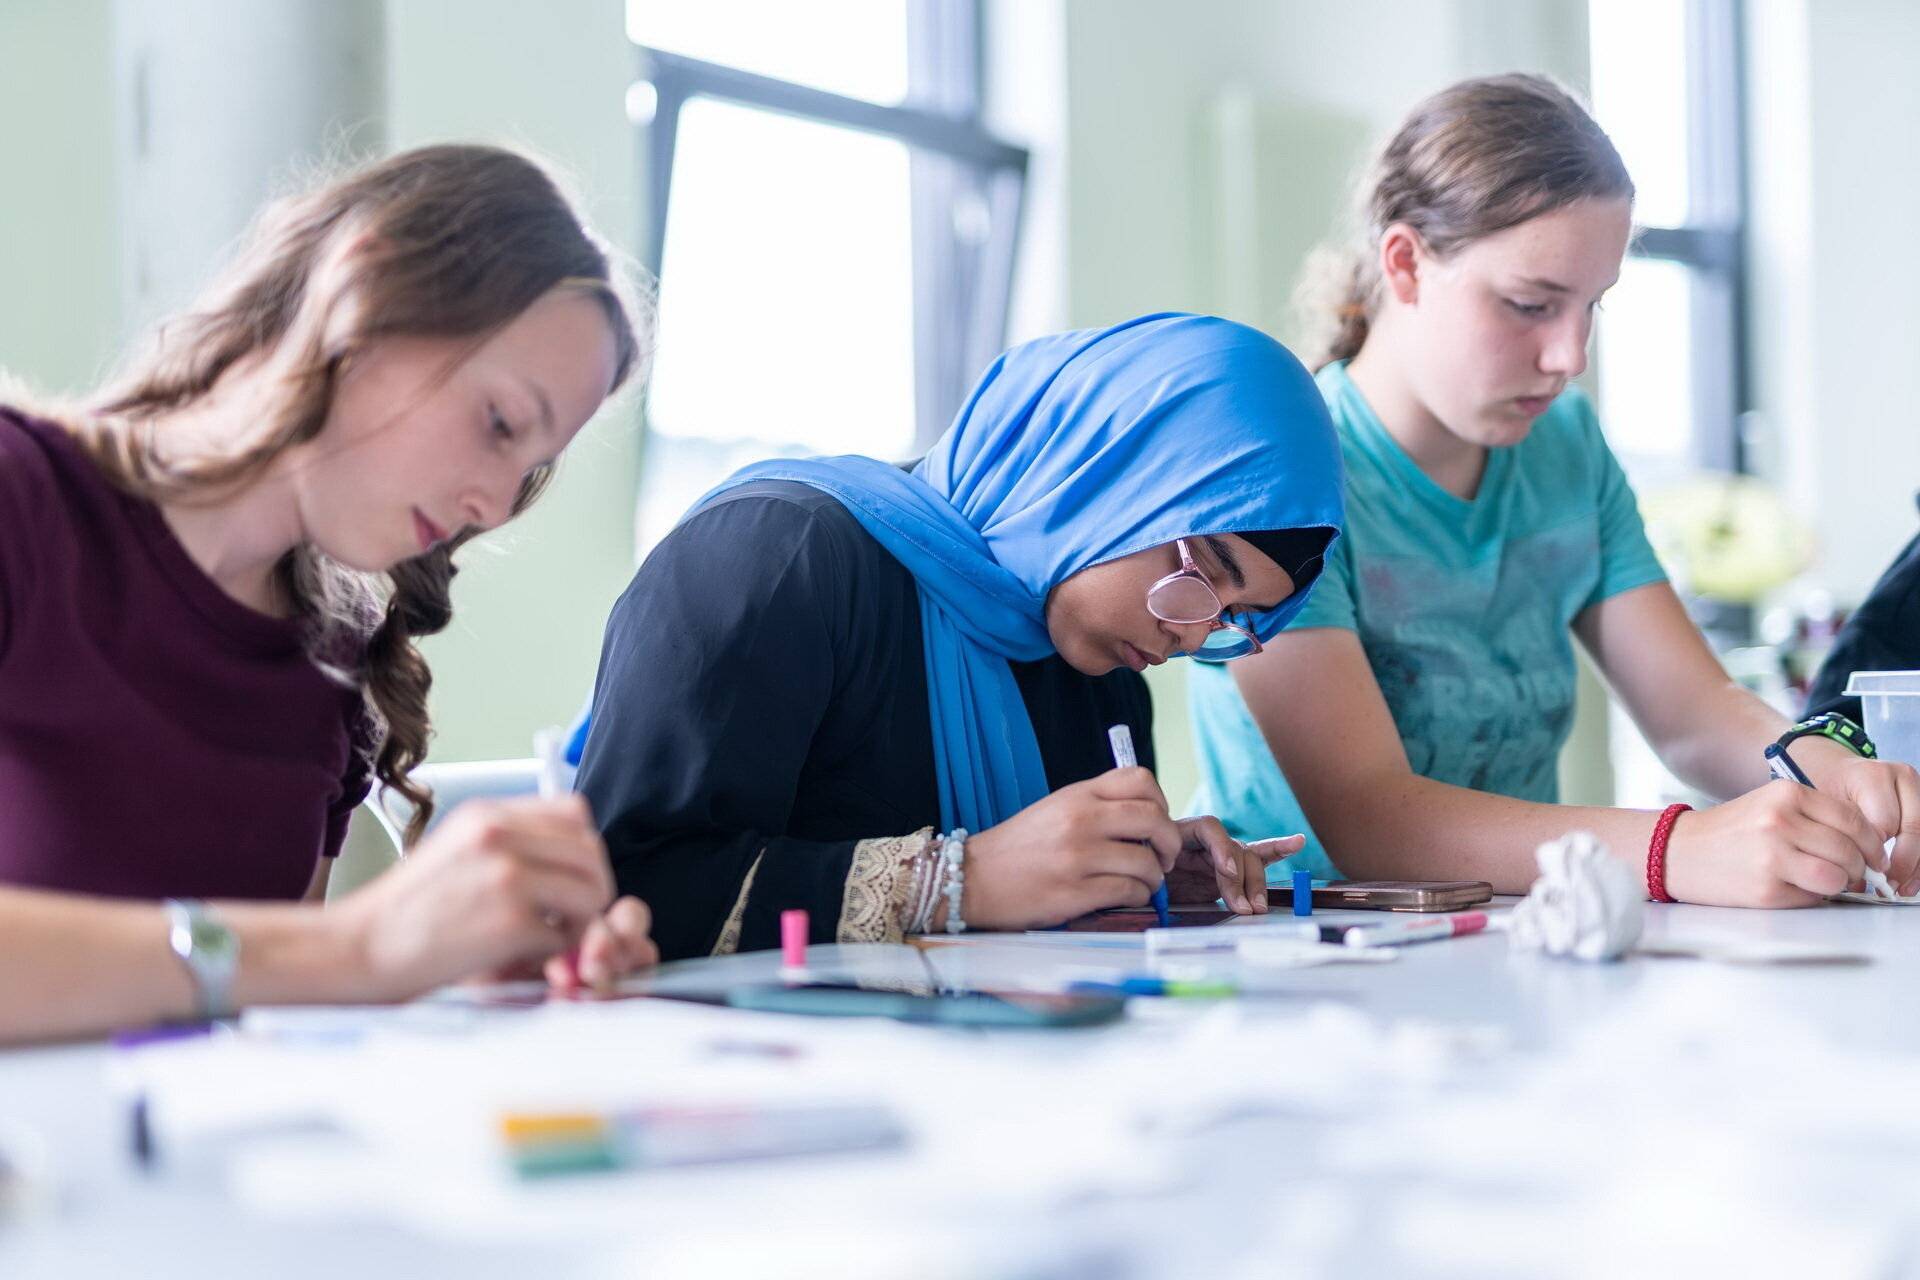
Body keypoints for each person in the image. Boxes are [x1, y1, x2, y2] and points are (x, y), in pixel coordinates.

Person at [1187, 74, 1920, 907]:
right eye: (1531, 305)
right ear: (1405, 264)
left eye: (1591, 307)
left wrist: (1813, 760)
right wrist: (1677, 849)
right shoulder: (1288, 479)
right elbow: (1370, 820)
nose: (1570, 357)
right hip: (1294, 948)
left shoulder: (1565, 447)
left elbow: (1693, 710)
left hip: (1507, 933)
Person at [0, 144, 660, 1043]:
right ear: (368, 288)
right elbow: (310, 956)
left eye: (531, 468)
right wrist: (357, 952)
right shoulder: (22, 502)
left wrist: (464, 975)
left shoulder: (339, 674)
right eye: (500, 423)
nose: (498, 504)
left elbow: (254, 1015)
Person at [578, 313, 1343, 960]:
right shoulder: (776, 556)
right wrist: (960, 881)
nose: (1192, 632)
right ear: (1109, 470)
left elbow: (1030, 925)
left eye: (1235, 620)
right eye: (1205, 570)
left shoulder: (1102, 679)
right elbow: (623, 885)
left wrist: (1129, 872)